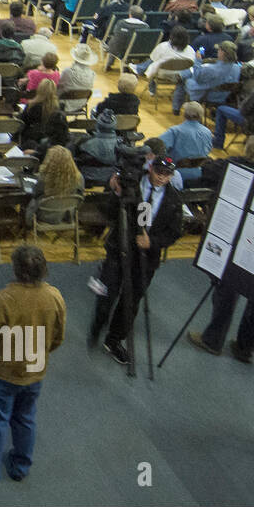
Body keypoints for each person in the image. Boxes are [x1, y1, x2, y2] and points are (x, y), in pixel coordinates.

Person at [0, 246, 66, 492]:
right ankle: (19, 467)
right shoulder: (55, 297)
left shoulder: (2, 300)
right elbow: (57, 338)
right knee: (25, 418)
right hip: (34, 374)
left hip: (1, 376)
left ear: (16, 269)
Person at [189, 139, 254, 363]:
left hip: (240, 251)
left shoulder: (248, 182)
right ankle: (245, 348)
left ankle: (213, 340)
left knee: (226, 294)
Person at [88, 157, 183, 366]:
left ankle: (113, 340)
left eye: (167, 174)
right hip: (118, 249)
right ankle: (98, 324)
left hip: (145, 259)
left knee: (131, 301)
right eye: (158, 171)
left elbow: (175, 233)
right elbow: (108, 212)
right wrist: (116, 192)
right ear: (150, 168)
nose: (161, 177)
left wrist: (153, 242)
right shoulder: (130, 182)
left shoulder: (174, 200)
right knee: (107, 292)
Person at [173, 40, 240, 114]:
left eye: (219, 50)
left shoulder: (212, 69)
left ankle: (176, 108)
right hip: (225, 96)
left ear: (222, 53)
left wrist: (198, 60)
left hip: (207, 94)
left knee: (185, 79)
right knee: (191, 73)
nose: (217, 51)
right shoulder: (237, 68)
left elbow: (198, 77)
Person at [25, 145, 82, 227]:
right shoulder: (79, 178)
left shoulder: (43, 179)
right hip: (67, 215)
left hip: (44, 216)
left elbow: (35, 194)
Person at [18, 79, 68, 154]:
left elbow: (22, 124)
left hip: (32, 141)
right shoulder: (60, 107)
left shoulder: (31, 106)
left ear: (39, 90)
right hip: (51, 143)